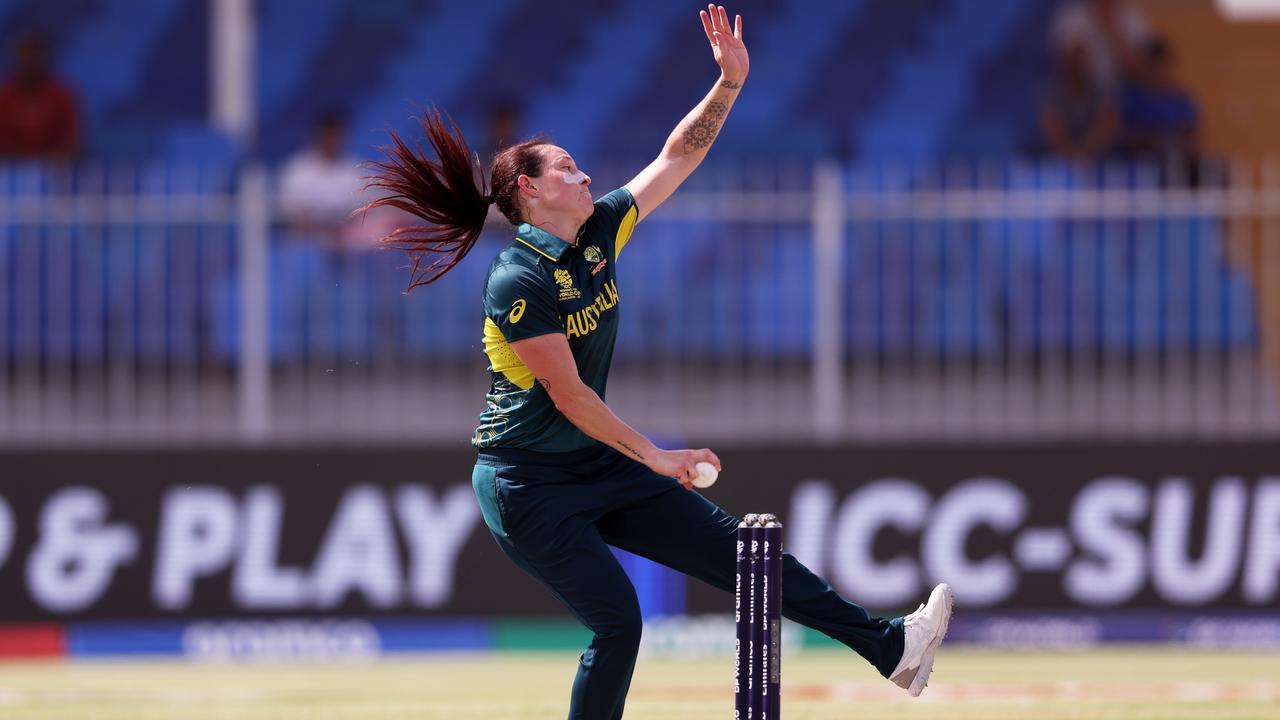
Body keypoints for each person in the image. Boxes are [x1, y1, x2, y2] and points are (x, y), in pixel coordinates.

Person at [362, 7, 952, 717]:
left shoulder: (600, 230)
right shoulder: (518, 278)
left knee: (744, 555)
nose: (586, 179)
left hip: (597, 464)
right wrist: (655, 456)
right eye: (569, 171)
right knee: (619, 622)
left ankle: (893, 650)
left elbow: (678, 156)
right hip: (528, 484)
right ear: (529, 190)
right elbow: (569, 395)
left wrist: (728, 86)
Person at [277, 111, 369, 247]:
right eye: (327, 136)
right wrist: (323, 229)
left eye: (335, 136)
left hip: (348, 241)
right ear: (317, 137)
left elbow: (366, 211)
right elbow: (291, 214)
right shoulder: (298, 170)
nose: (332, 141)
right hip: (308, 242)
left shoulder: (355, 169)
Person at [0, 32, 79, 159]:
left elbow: (70, 138)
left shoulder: (61, 95)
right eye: (26, 56)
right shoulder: (4, 96)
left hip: (54, 169)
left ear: (45, 58)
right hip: (9, 169)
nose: (30, 63)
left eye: (35, 56)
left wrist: (55, 157)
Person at [1040, 37, 1119, 161]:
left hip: (1095, 156)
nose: (1078, 64)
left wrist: (1086, 151)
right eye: (1073, 58)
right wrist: (1070, 153)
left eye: (1081, 59)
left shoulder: (1100, 88)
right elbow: (1052, 128)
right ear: (1064, 61)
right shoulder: (1052, 90)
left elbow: (1107, 124)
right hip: (1061, 156)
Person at [1050, 0, 1153, 90]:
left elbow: (1145, 71)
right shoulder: (1073, 17)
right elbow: (1066, 66)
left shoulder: (1132, 18)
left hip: (1126, 90)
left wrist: (1111, 30)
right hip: (1086, 92)